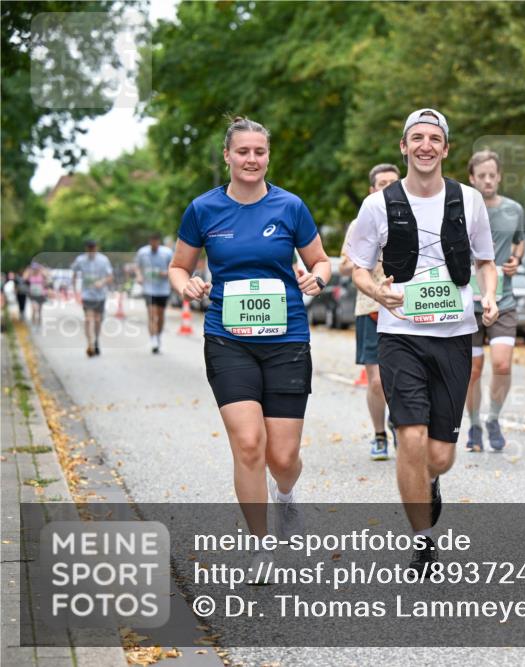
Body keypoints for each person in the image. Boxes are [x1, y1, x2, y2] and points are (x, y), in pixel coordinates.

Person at [169, 117, 331, 578]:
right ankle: (261, 544)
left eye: (259, 152)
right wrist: (188, 285)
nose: (252, 159)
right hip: (227, 339)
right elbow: (179, 266)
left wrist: (315, 278)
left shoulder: (290, 206)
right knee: (248, 444)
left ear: (267, 156)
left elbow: (321, 259)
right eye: (243, 151)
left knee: (282, 458)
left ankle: (285, 495)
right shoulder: (203, 209)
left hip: (287, 340)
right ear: (227, 156)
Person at [348, 108, 497, 571]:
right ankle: (423, 538)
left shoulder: (469, 200)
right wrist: (376, 291)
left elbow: (486, 262)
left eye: (434, 138)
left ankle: (430, 482)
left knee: (440, 455)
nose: (426, 145)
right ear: (404, 146)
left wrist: (489, 296)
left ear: (446, 148)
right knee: (409, 436)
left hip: (454, 336)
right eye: (417, 138)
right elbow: (356, 266)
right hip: (401, 336)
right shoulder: (377, 206)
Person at [464, 150, 525, 452]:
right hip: (468, 303)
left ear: (499, 176)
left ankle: (493, 418)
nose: (488, 181)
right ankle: (474, 424)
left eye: (493, 175)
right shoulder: (461, 210)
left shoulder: (514, 209)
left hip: (504, 300)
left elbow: (520, 239)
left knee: (501, 364)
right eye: (482, 176)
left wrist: (515, 259)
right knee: (473, 370)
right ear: (472, 178)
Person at [339, 163, 401, 461]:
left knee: (402, 377)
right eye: (382, 184)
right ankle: (379, 434)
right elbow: (343, 265)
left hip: (404, 307)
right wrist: (364, 259)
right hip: (370, 307)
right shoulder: (360, 223)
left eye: (394, 183)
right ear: (372, 190)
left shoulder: (410, 219)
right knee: (376, 380)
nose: (388, 188)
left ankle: (399, 423)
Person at [134, 232, 174, 354]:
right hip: (148, 288)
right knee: (151, 314)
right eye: (152, 242)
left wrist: (165, 273)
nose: (154, 244)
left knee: (160, 316)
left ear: (159, 242)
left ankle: (158, 336)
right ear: (149, 241)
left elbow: (174, 268)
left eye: (156, 242)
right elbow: (137, 267)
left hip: (163, 289)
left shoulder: (167, 252)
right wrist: (139, 276)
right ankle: (153, 339)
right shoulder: (142, 252)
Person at [70, 243, 114, 356]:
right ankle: (90, 344)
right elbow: (74, 274)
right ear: (86, 249)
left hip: (100, 295)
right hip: (87, 295)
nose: (91, 251)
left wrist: (102, 282)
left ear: (96, 248)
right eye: (89, 249)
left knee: (98, 320)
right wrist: (75, 291)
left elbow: (110, 276)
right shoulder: (80, 260)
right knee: (88, 319)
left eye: (93, 248)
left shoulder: (104, 260)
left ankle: (96, 340)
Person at [24, 262, 49, 327]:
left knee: (39, 310)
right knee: (34, 309)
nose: (35, 270)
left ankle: (39, 323)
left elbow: (47, 277)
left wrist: (42, 269)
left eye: (36, 268)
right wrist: (28, 269)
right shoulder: (30, 274)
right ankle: (33, 324)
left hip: (41, 294)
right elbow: (24, 278)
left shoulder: (41, 274)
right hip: (32, 294)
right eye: (33, 268)